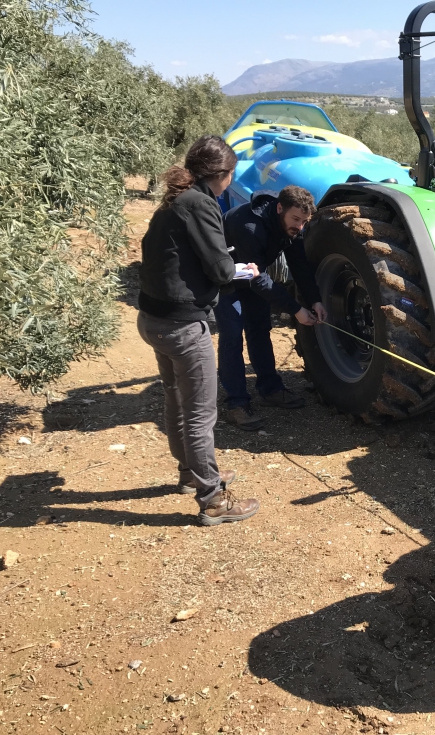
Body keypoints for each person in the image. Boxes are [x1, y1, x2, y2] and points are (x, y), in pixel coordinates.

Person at [137, 135, 261, 526]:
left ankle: (192, 474)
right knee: (200, 414)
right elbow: (223, 272)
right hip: (183, 325)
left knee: (176, 399)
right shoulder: (202, 203)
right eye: (230, 176)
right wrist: (241, 269)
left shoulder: (174, 200)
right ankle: (212, 499)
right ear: (222, 175)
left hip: (154, 319)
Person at [217, 185, 326, 431]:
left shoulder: (293, 228)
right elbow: (259, 280)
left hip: (252, 277)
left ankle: (270, 389)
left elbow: (299, 265)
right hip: (224, 279)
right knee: (233, 333)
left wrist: (315, 300)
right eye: (295, 219)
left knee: (260, 328)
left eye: (304, 221)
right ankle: (237, 402)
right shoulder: (249, 227)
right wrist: (296, 310)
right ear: (280, 208)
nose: (299, 226)